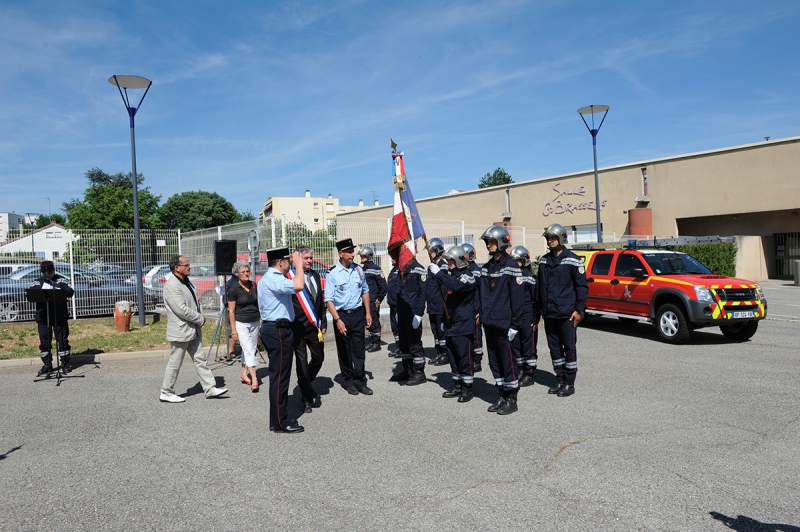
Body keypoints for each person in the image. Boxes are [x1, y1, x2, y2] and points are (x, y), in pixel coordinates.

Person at [160, 255, 228, 403]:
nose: (189, 267)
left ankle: (210, 388)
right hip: (181, 331)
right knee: (175, 362)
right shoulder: (172, 285)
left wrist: (198, 319)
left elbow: (195, 304)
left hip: (193, 329)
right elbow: (181, 309)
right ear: (177, 268)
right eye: (186, 265)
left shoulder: (186, 282)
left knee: (200, 360)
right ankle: (166, 392)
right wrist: (200, 319)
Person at [537, 223, 588, 398]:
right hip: (549, 314)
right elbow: (540, 287)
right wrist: (540, 310)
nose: (550, 241)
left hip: (567, 314)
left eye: (553, 238)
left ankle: (569, 382)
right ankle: (559, 379)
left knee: (569, 348)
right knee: (554, 349)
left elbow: (581, 287)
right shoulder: (544, 260)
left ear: (562, 239)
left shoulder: (573, 260)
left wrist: (579, 310)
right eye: (548, 238)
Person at [258, 247, 305, 433]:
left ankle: (276, 418)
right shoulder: (274, 278)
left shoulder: (268, 278)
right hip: (277, 330)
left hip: (277, 328)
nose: (290, 263)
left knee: (279, 376)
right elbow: (299, 286)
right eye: (288, 260)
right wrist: (299, 266)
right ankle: (280, 421)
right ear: (280, 262)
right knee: (280, 377)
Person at [479, 226, 524, 415]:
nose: (488, 245)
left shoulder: (511, 266)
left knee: (508, 361)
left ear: (502, 243)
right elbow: (481, 295)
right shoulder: (487, 268)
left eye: (492, 241)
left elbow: (518, 299)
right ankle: (501, 394)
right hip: (490, 323)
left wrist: (515, 325)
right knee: (494, 361)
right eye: (487, 242)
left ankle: (511, 398)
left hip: (505, 324)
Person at [428, 245, 479, 402]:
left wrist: (439, 274)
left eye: (450, 260)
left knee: (464, 357)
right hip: (451, 323)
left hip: (463, 324)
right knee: (453, 357)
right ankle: (457, 386)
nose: (448, 263)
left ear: (458, 260)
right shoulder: (450, 276)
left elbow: (456, 285)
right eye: (448, 260)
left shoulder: (468, 275)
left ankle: (467, 388)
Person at [325, 238, 373, 395]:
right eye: (350, 252)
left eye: (353, 251)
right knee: (345, 350)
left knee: (359, 350)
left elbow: (365, 291)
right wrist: (337, 319)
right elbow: (329, 300)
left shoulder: (358, 270)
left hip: (358, 314)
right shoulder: (333, 274)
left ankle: (360, 381)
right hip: (342, 316)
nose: (353, 254)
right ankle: (348, 381)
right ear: (341, 253)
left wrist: (367, 312)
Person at [290, 246, 327, 414]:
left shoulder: (316, 275)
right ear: (297, 259)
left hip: (314, 327)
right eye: (306, 258)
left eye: (311, 258)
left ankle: (306, 383)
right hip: (297, 329)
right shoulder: (290, 277)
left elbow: (320, 301)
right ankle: (305, 398)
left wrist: (323, 321)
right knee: (302, 364)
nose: (310, 261)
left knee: (319, 357)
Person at [30, 261, 74, 377]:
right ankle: (47, 365)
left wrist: (57, 289)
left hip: (59, 316)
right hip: (44, 318)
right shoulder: (37, 282)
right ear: (41, 272)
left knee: (62, 340)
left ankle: (65, 364)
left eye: (49, 272)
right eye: (44, 273)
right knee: (44, 343)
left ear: (53, 271)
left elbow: (70, 291)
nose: (47, 274)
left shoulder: (61, 280)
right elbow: (31, 293)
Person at [393, 256, 428, 385]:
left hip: (413, 313)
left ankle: (419, 372)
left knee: (414, 344)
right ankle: (407, 370)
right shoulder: (401, 270)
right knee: (404, 344)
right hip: (402, 313)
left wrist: (419, 314)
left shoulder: (419, 270)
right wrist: (397, 311)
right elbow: (399, 293)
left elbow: (423, 293)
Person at [509, 246, 540, 388]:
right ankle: (521, 369)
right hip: (515, 315)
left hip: (528, 315)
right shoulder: (511, 277)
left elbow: (536, 299)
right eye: (513, 260)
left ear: (524, 260)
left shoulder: (530, 278)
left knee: (528, 345)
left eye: (518, 260)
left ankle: (530, 373)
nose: (515, 263)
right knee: (516, 344)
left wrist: (535, 319)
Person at [227, 260, 260, 392]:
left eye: (248, 271)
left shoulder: (253, 285)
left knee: (250, 348)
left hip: (255, 321)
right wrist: (234, 331)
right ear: (237, 274)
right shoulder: (234, 289)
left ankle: (243, 373)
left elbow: (258, 304)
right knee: (248, 349)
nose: (247, 274)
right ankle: (255, 378)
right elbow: (231, 311)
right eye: (243, 272)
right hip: (241, 322)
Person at [358, 246, 387, 353]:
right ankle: (371, 340)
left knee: (374, 321)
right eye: (361, 256)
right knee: (367, 321)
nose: (361, 258)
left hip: (372, 301)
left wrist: (379, 299)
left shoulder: (376, 269)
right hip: (364, 301)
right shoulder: (361, 270)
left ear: (369, 256)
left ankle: (376, 342)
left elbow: (383, 286)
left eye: (363, 256)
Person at [426, 238, 449, 366]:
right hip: (432, 304)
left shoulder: (443, 266)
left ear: (438, 250)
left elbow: (445, 287)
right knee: (435, 330)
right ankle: (438, 352)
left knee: (441, 330)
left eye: (432, 251)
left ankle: (445, 353)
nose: (430, 253)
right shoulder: (431, 267)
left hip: (440, 304)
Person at [461, 242, 483, 373]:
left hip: (475, 308)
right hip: (465, 309)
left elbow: (481, 292)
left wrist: (480, 310)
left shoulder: (477, 272)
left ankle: (477, 360)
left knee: (476, 335)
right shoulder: (463, 271)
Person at [385, 257, 401, 357]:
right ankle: (398, 347)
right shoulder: (393, 270)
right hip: (392, 304)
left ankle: (402, 347)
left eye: (393, 258)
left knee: (400, 327)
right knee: (394, 327)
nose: (391, 260)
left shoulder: (401, 270)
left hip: (398, 305)